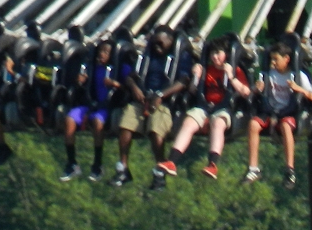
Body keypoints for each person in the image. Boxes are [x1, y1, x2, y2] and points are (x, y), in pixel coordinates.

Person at [155, 38, 250, 181]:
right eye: (212, 53)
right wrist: (196, 77)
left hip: (224, 108)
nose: (214, 57)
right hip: (204, 106)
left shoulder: (236, 71)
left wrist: (231, 76)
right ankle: (172, 161)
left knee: (218, 124)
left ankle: (213, 164)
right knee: (188, 123)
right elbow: (193, 90)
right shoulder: (207, 70)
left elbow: (245, 92)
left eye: (218, 53)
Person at [113, 27, 192, 189]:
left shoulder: (180, 57)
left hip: (164, 102)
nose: (157, 46)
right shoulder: (147, 57)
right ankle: (123, 168)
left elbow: (183, 81)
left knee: (155, 130)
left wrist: (161, 95)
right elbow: (131, 77)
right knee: (125, 125)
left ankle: (159, 170)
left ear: (170, 41)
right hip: (142, 99)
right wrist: (135, 88)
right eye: (154, 43)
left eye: (161, 43)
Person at [244, 41, 312, 189]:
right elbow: (255, 93)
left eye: (276, 59)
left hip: (288, 112)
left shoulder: (298, 75)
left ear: (286, 59)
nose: (273, 63)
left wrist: (298, 89)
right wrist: (257, 89)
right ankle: (253, 168)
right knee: (253, 124)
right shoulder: (268, 75)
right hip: (270, 111)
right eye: (271, 59)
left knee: (285, 126)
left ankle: (290, 169)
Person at [60, 39, 119, 183]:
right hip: (89, 104)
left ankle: (97, 164)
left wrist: (114, 84)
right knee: (69, 120)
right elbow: (81, 82)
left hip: (105, 106)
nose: (102, 54)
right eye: (100, 51)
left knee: (98, 123)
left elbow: (126, 85)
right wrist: (80, 80)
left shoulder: (115, 69)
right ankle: (72, 163)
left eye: (106, 52)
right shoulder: (90, 67)